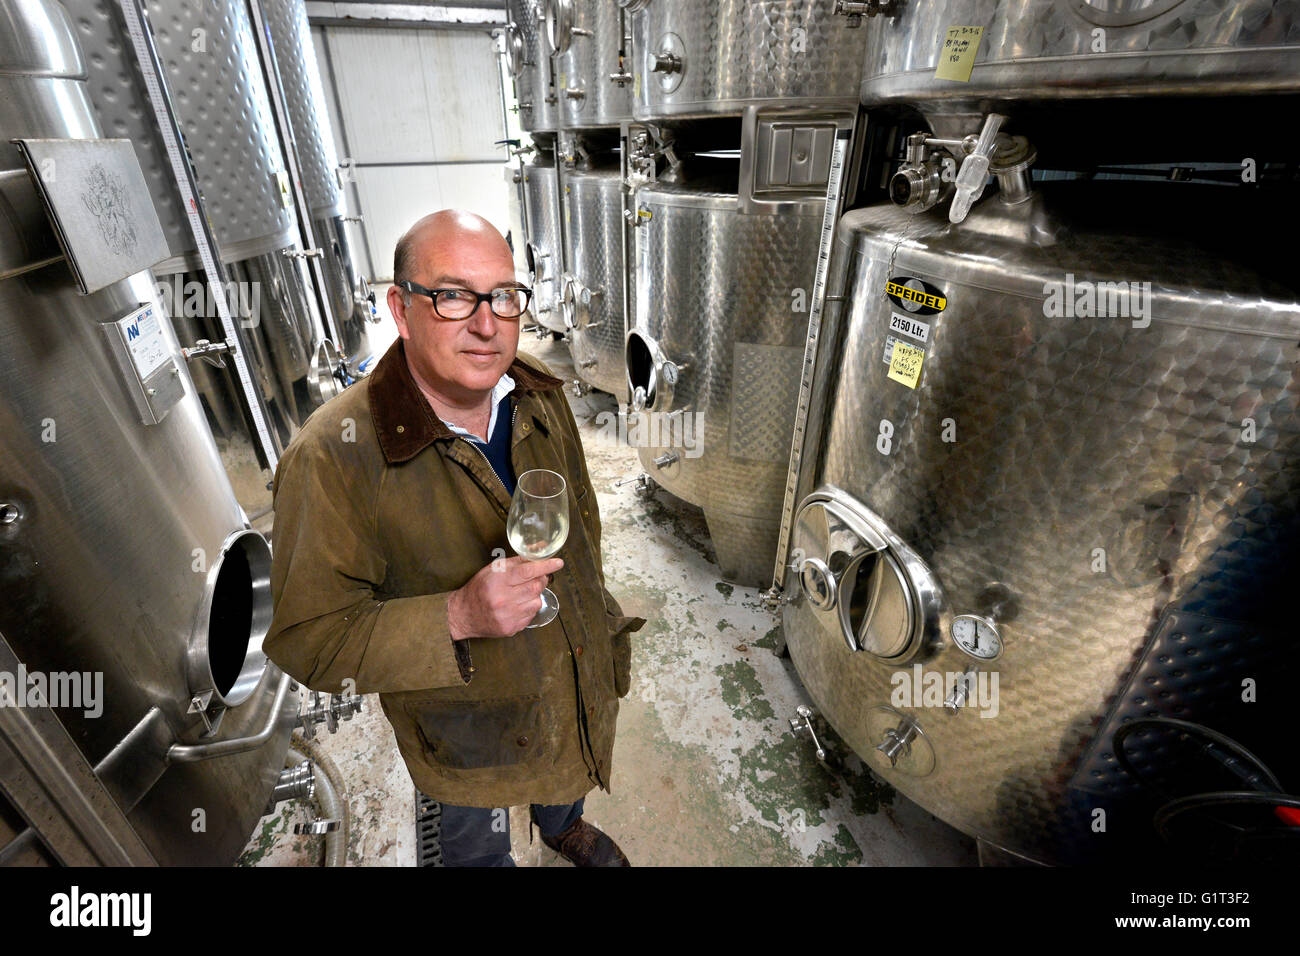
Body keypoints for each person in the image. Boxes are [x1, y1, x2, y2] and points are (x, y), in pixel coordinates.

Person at [263, 210, 645, 866]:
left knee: (569, 759)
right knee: (472, 846)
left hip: (567, 664)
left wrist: (594, 610)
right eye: (451, 295)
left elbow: (581, 514)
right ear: (400, 308)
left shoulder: (535, 389)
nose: (486, 322)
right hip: (463, 730)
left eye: (502, 295)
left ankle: (562, 824)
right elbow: (311, 642)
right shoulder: (331, 457)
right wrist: (457, 616)